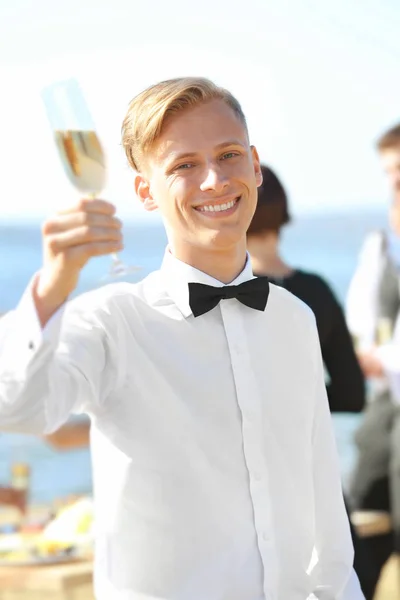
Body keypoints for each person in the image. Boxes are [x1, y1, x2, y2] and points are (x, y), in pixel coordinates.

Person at [0, 77, 364, 599]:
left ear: (255, 167)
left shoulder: (294, 319)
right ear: (145, 191)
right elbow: (18, 408)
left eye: (229, 154)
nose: (215, 179)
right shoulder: (111, 322)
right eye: (183, 165)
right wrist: (52, 288)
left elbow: (323, 507)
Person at [246, 164, 379, 599]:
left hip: (246, 491)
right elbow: (352, 393)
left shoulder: (227, 296)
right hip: (316, 486)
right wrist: (298, 400)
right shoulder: (317, 289)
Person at [346, 122, 400, 583]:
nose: (394, 183)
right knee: (361, 514)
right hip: (386, 409)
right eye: (389, 173)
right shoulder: (381, 245)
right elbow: (360, 319)